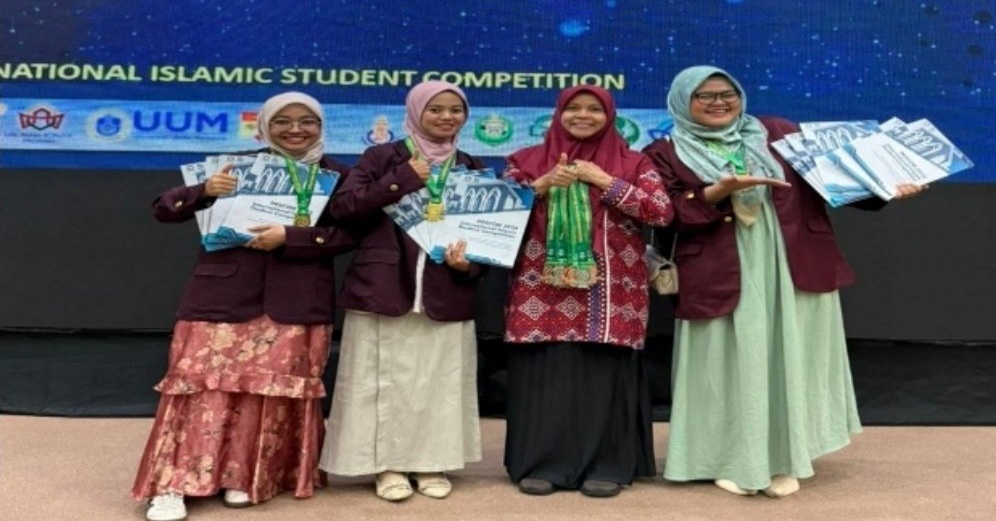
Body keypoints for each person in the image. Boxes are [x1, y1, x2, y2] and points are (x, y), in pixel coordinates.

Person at [642, 65, 927, 498]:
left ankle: (784, 457)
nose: (719, 103)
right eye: (705, 96)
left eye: (727, 94)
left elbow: (837, 181)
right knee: (723, 366)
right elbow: (665, 214)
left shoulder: (779, 132)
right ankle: (724, 457)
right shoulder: (663, 152)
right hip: (719, 270)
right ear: (683, 101)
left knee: (788, 359)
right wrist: (718, 191)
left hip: (791, 264)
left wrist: (886, 186)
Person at [132, 92, 354, 521]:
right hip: (221, 297)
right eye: (283, 121)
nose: (295, 129)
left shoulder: (338, 176)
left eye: (306, 121)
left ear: (321, 126)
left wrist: (291, 237)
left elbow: (352, 235)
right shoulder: (232, 168)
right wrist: (204, 191)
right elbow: (164, 209)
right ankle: (173, 485)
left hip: (295, 300)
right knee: (199, 389)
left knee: (267, 393)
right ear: (265, 126)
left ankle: (243, 475)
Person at [501, 85, 674, 498]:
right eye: (573, 108)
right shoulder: (524, 161)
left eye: (594, 109)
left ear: (609, 115)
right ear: (558, 114)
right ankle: (540, 463)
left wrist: (605, 181)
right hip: (542, 289)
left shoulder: (634, 162)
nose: (583, 115)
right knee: (548, 373)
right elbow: (497, 212)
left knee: (603, 376)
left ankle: (608, 464)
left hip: (611, 291)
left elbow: (661, 213)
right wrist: (542, 183)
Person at [318, 80, 485, 502]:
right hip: (384, 287)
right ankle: (386, 464)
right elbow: (344, 208)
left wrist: (469, 265)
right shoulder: (381, 157)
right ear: (415, 112)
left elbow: (487, 236)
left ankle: (431, 461)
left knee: (439, 382)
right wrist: (402, 178)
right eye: (436, 109)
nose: (447, 117)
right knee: (380, 382)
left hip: (444, 290)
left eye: (456, 110)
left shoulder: (471, 166)